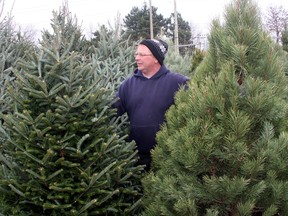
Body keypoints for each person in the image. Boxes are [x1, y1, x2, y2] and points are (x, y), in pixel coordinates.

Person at [113, 39, 189, 171]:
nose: (137, 58)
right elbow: (110, 111)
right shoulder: (128, 86)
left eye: (142, 55)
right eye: (136, 54)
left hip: (169, 157)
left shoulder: (178, 83)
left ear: (156, 58)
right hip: (137, 158)